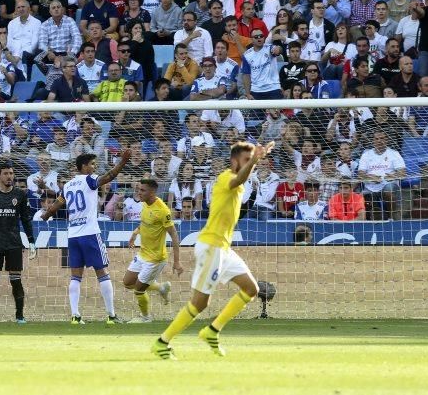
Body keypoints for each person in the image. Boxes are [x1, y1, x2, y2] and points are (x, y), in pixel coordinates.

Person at [152, 140, 274, 360]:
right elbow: (239, 178)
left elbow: (243, 178)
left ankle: (212, 331)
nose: (249, 163)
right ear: (234, 161)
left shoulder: (240, 179)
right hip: (211, 246)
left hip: (223, 248)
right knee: (200, 303)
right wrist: (255, 160)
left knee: (251, 289)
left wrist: (253, 160)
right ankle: (163, 342)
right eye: (246, 160)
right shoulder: (226, 177)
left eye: (250, 160)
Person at [40, 149, 134, 324]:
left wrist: (45, 216)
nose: (94, 167)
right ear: (83, 166)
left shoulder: (67, 186)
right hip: (90, 233)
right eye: (92, 164)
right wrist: (123, 162)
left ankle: (75, 316)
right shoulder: (90, 180)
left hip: (73, 236)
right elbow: (110, 176)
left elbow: (55, 206)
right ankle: (111, 316)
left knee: (76, 276)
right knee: (103, 273)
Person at [0, 162, 37, 324]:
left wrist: (31, 241)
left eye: (11, 174)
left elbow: (26, 219)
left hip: (14, 244)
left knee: (16, 280)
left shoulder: (20, 195)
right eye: (5, 173)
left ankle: (20, 316)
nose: (9, 177)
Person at [124, 179, 182, 323]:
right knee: (127, 282)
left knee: (138, 289)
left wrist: (177, 261)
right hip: (143, 254)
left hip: (155, 259)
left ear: (152, 192)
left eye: (142, 190)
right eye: (138, 190)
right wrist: (135, 233)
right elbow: (145, 223)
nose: (139, 193)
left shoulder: (162, 210)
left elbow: (174, 235)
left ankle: (146, 317)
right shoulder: (145, 204)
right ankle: (161, 287)